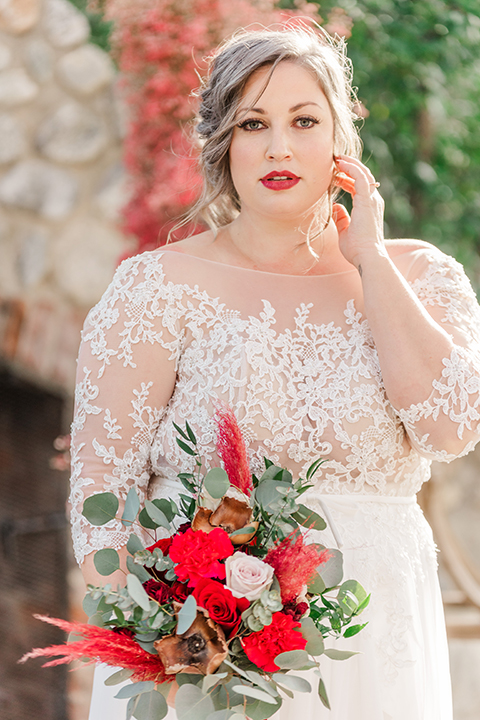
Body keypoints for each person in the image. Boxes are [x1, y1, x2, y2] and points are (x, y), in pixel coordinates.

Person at [69, 23, 480, 720]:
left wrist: (371, 260)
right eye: (252, 123)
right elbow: (100, 498)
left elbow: (450, 429)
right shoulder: (154, 290)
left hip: (379, 646)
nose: (279, 147)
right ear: (221, 143)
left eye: (304, 120)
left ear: (340, 139)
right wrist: (171, 636)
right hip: (210, 663)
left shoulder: (419, 274)